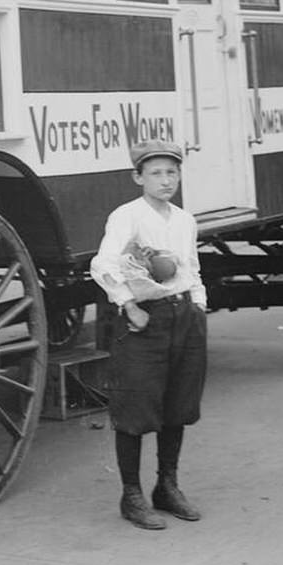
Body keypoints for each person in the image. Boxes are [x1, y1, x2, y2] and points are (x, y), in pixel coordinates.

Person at [89, 139, 208, 530]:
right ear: (137, 177)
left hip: (183, 317)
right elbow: (103, 265)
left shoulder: (185, 220)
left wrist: (198, 306)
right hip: (144, 320)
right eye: (156, 173)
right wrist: (129, 305)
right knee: (136, 407)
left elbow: (192, 268)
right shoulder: (127, 216)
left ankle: (166, 486)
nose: (165, 180)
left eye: (172, 172)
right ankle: (132, 496)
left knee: (178, 404)